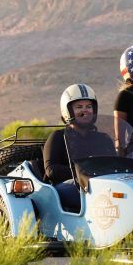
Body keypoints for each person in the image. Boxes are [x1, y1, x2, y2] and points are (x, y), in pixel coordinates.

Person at [43, 84, 113, 212]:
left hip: (101, 183)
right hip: (68, 185)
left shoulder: (103, 138)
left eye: (89, 107)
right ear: (67, 111)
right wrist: (82, 173)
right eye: (79, 107)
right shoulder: (58, 137)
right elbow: (51, 170)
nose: (85, 110)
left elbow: (115, 164)